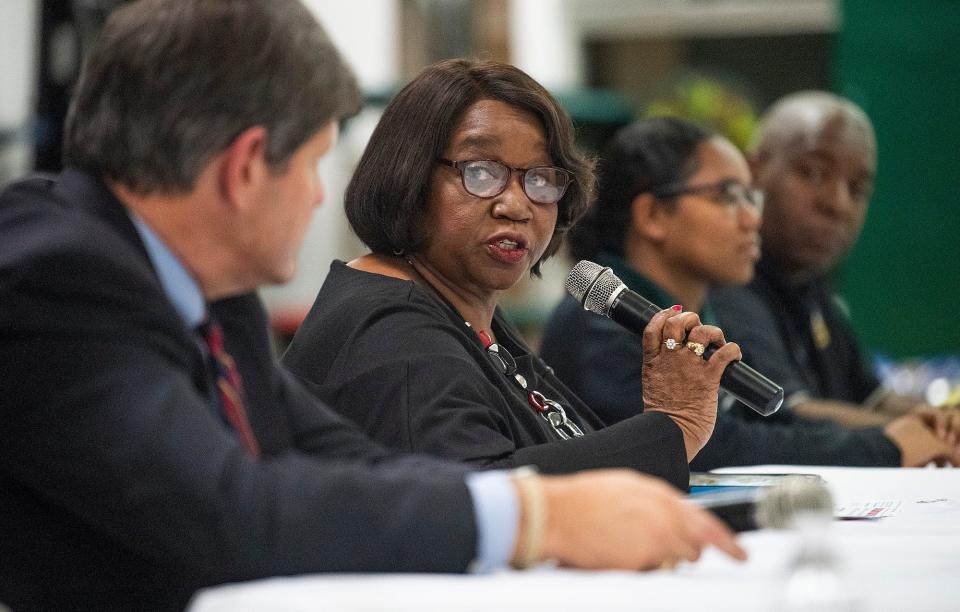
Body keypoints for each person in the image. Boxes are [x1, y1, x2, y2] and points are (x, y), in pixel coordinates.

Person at [0, 2, 745, 610]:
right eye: (314, 162)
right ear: (245, 168)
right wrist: (535, 518)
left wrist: (557, 510)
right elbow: (233, 512)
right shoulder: (59, 279)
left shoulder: (204, 291)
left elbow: (351, 461)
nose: (322, 195)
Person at [282, 59, 742, 486]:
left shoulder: (461, 306)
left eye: (541, 178)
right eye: (480, 172)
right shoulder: (392, 330)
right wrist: (671, 427)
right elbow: (477, 501)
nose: (516, 204)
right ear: (408, 175)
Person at [540, 116, 956, 469]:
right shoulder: (601, 323)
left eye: (749, 196)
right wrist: (887, 446)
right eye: (727, 197)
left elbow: (775, 420)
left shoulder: (703, 316)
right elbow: (712, 446)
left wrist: (908, 431)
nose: (751, 219)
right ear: (653, 215)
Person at [707, 91, 959, 467]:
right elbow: (786, 411)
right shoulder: (729, 285)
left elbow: (873, 398)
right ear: (753, 171)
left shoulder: (811, 289)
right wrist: (922, 434)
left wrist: (943, 421)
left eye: (857, 189)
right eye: (813, 173)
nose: (838, 204)